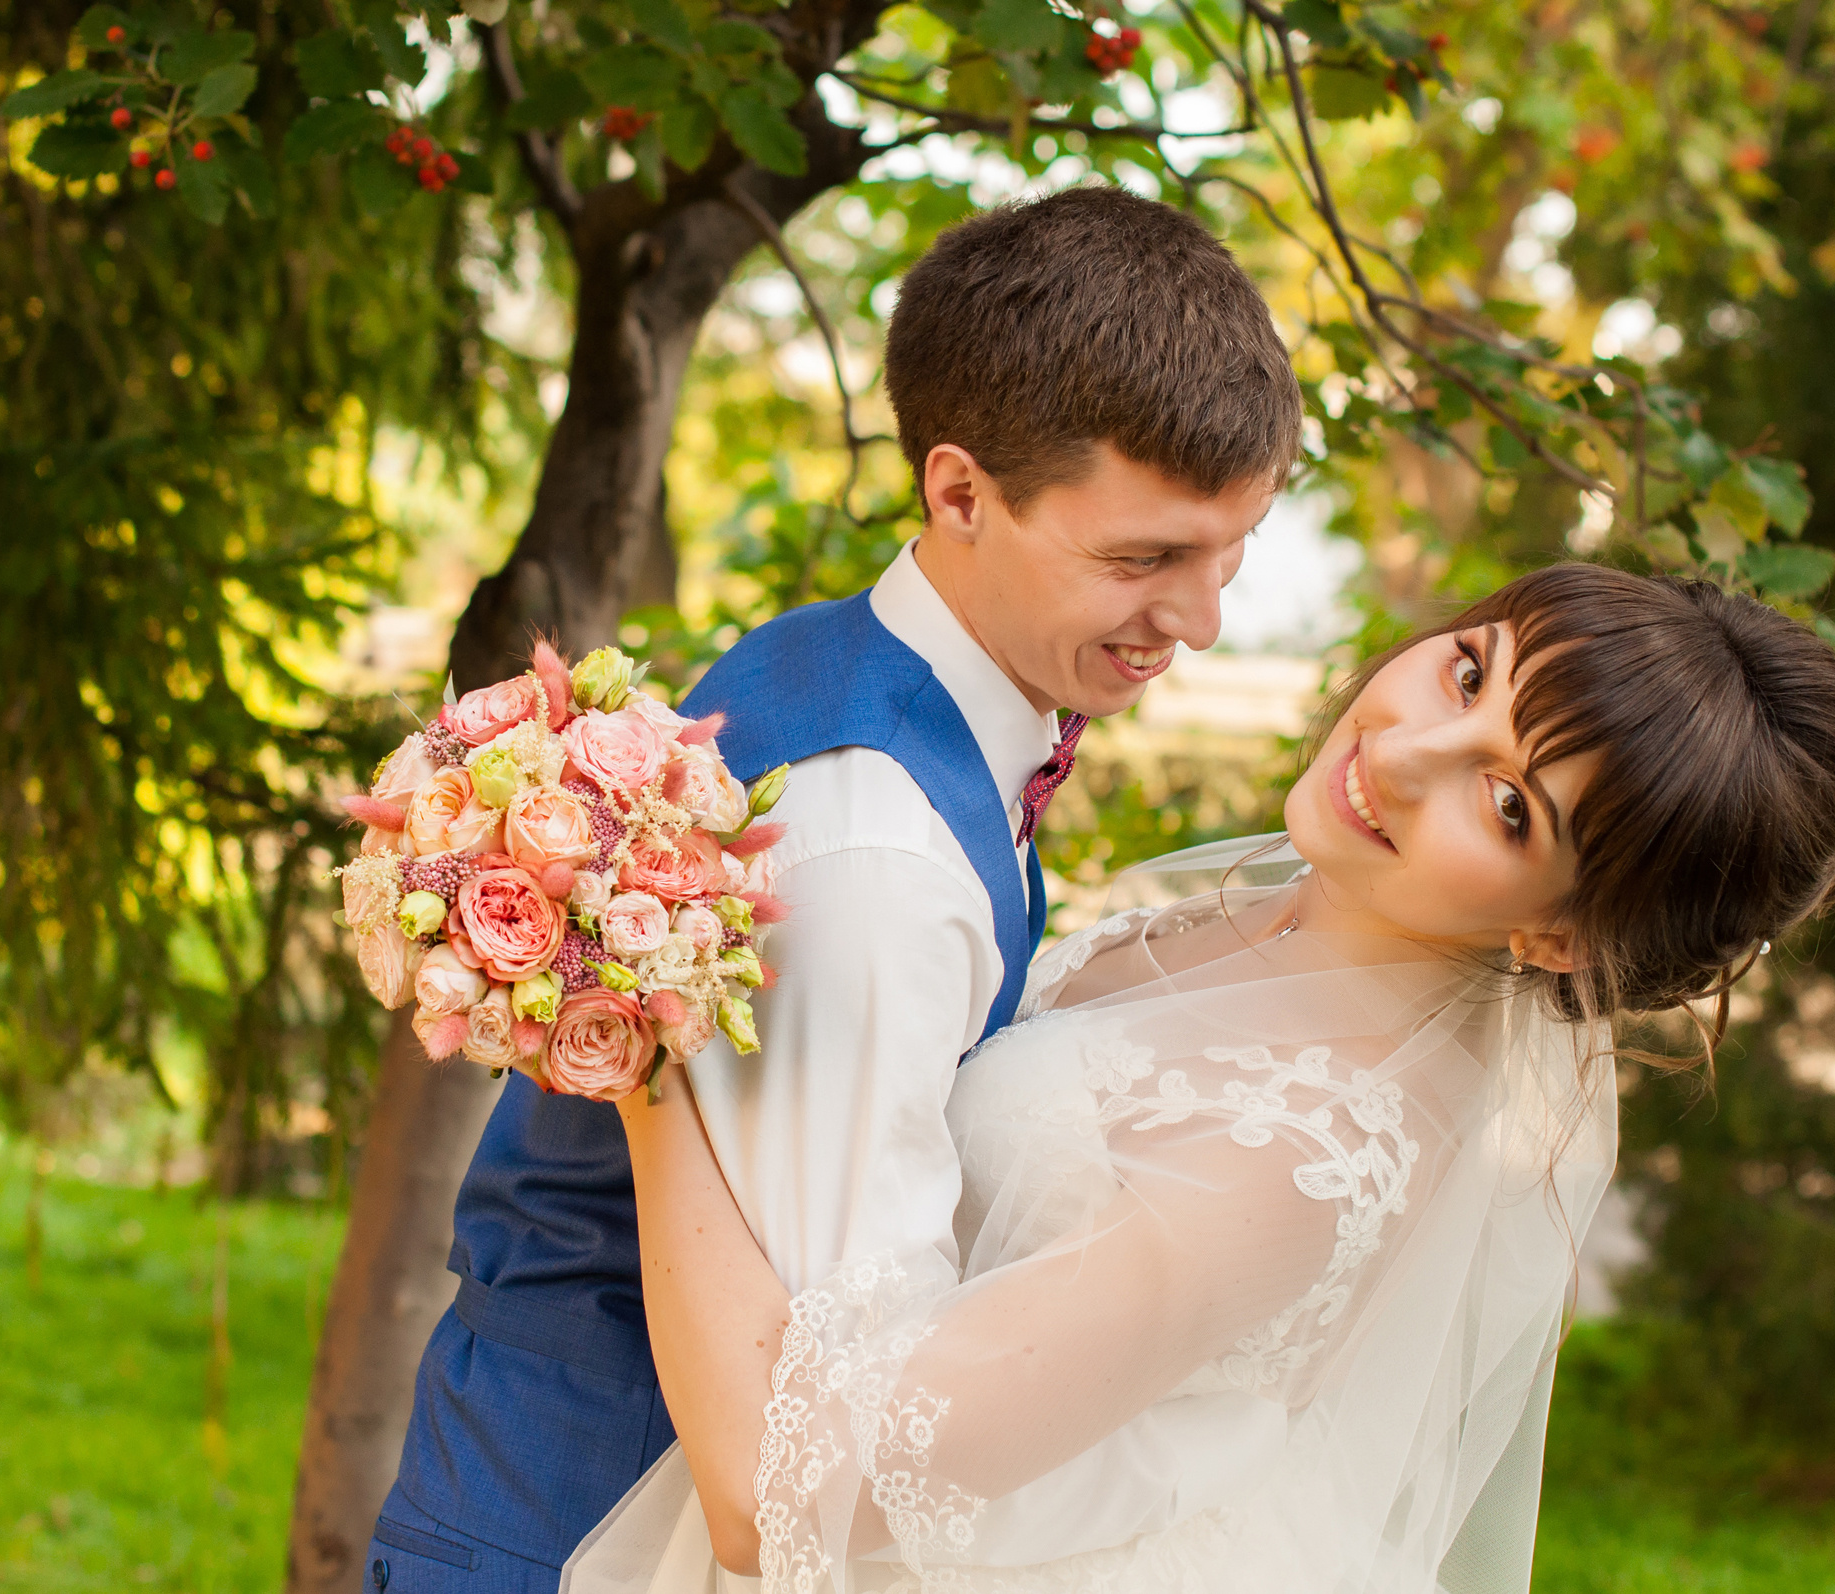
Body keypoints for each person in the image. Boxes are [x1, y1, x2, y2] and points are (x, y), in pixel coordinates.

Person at [574, 563, 1835, 1594]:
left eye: (1513, 804)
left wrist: (646, 1029)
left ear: (1563, 938)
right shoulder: (1268, 916)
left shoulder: (1297, 1152)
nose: (1407, 752)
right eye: (1468, 671)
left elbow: (773, 1494)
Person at [360, 186, 1302, 1593]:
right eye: (1142, 559)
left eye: (1226, 555)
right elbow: (831, 1444)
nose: (1199, 619)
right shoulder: (874, 856)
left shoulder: (851, 659)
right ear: (961, 491)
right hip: (582, 1535)